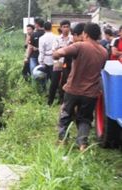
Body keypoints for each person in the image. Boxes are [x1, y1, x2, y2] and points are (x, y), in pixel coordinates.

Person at [53, 23, 107, 151]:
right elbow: (101, 68)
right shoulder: (104, 52)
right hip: (91, 93)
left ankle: (62, 139)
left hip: (73, 89)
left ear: (85, 34)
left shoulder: (80, 46)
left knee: (65, 114)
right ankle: (82, 144)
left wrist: (56, 53)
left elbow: (59, 53)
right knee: (85, 118)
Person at [49, 20, 73, 105]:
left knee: (65, 82)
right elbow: (54, 51)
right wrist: (65, 49)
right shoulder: (57, 38)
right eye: (64, 27)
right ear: (61, 28)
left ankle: (62, 101)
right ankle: (50, 102)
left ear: (70, 28)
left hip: (69, 63)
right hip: (58, 62)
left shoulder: (73, 38)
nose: (66, 29)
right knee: (54, 81)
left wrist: (61, 49)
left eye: (67, 27)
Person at [38, 22, 56, 90]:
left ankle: (44, 90)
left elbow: (41, 51)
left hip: (45, 59)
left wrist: (41, 61)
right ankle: (54, 91)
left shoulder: (42, 38)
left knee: (44, 77)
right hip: (54, 59)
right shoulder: (56, 37)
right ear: (51, 28)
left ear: (44, 28)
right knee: (53, 77)